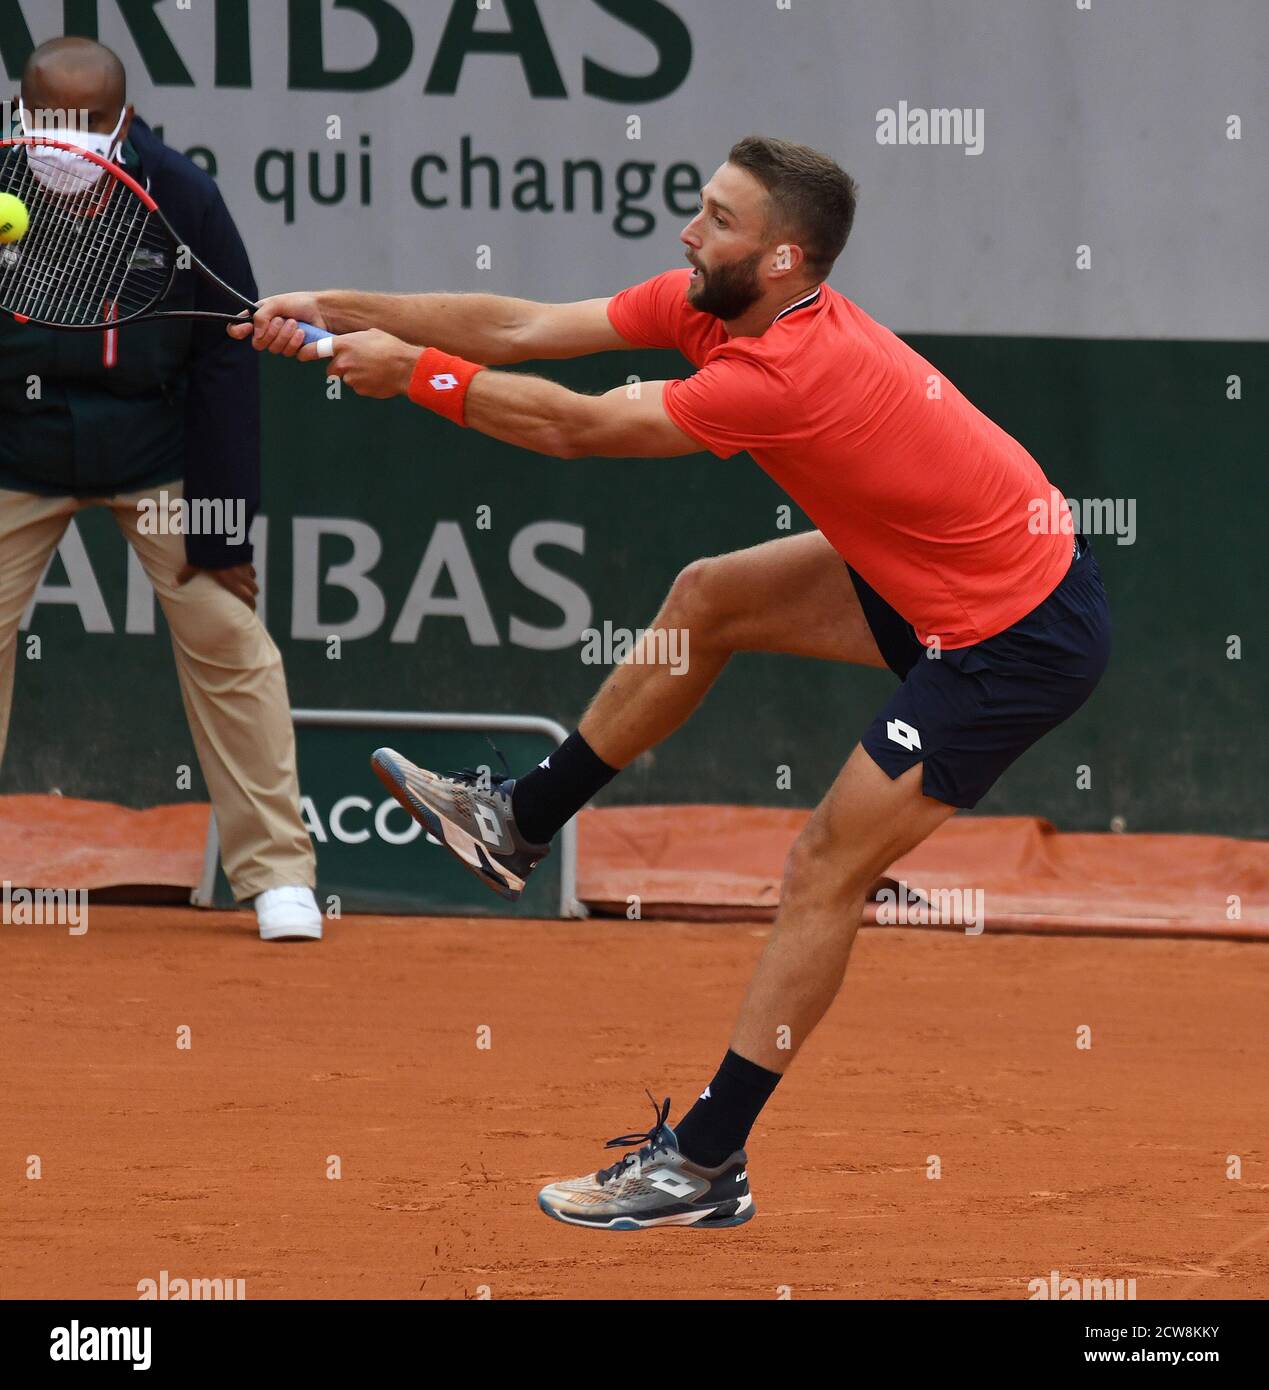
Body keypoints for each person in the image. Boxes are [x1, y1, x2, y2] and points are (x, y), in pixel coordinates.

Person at [234, 135, 1111, 1224]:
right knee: (709, 595)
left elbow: (576, 426)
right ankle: (521, 821)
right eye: (701, 209)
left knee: (822, 868)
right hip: (929, 563)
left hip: (1012, 634)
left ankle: (703, 1164)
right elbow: (523, 328)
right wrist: (338, 303)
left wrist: (412, 374)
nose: (691, 232)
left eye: (719, 219)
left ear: (786, 258)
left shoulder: (790, 370)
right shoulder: (718, 302)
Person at [0, 37, 319, 942]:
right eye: (46, 125)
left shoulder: (181, 197)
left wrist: (223, 533)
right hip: (12, 455)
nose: (65, 144)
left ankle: (278, 876)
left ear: (123, 122)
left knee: (229, 640)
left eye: (87, 127)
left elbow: (228, 361)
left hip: (153, 454)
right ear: (20, 114)